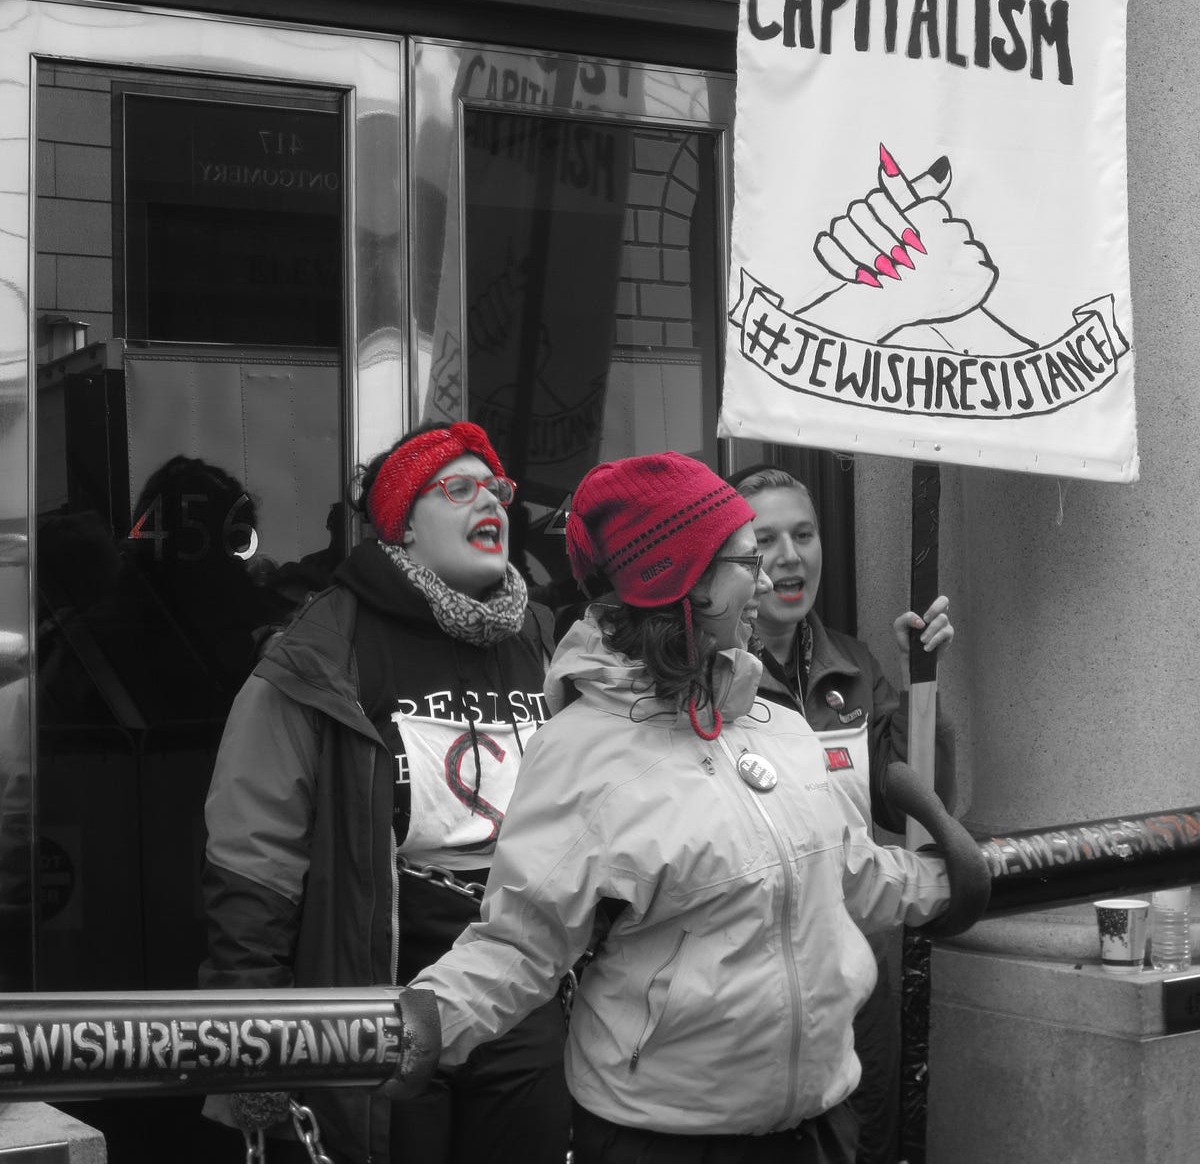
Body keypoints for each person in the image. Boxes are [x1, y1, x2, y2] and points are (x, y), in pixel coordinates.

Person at [395, 451, 989, 1164]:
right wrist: (416, 1025)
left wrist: (953, 880)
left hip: (822, 1129)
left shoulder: (780, 724)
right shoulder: (580, 751)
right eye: (748, 557)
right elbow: (520, 944)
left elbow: (849, 870)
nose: (766, 578)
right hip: (665, 1142)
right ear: (685, 581)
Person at [199, 420, 569, 1164]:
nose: (489, 503)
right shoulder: (320, 649)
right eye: (457, 489)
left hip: (521, 1005)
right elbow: (253, 857)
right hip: (379, 1006)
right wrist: (252, 1036)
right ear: (403, 522)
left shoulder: (541, 637)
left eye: (496, 489)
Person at [731, 464, 956, 1164]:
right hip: (758, 975)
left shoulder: (853, 667)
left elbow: (918, 801)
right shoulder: (710, 678)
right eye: (765, 540)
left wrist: (920, 683)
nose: (789, 557)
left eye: (804, 534)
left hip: (861, 965)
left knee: (868, 1145)